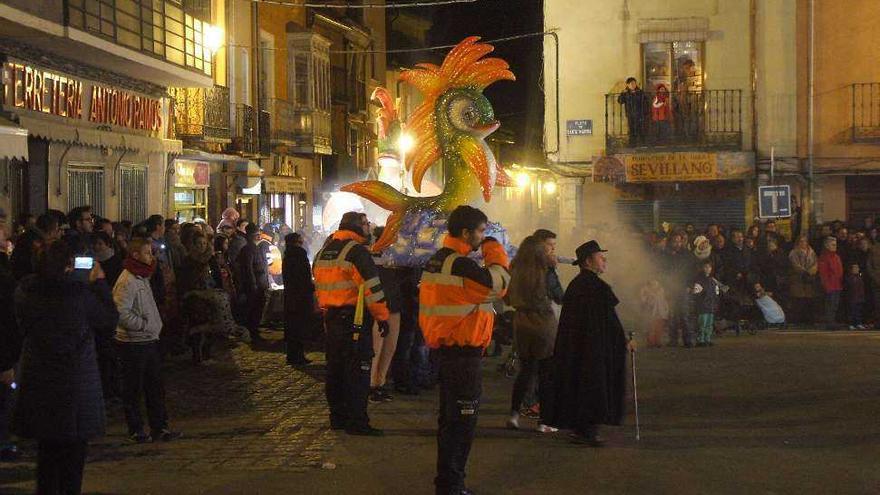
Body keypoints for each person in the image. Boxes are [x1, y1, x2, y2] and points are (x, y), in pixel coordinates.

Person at [13, 240, 119, 493]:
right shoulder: (78, 295)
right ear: (68, 266)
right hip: (75, 383)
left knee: (47, 455)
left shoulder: (26, 292)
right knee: (72, 458)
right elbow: (108, 318)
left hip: (39, 380)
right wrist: (99, 282)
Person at [419, 205, 510, 494]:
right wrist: (494, 249)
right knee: (461, 423)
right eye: (482, 232)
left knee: (450, 422)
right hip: (463, 355)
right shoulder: (459, 264)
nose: (484, 237)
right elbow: (499, 283)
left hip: (448, 352)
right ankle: (452, 485)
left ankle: (448, 482)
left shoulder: (439, 260)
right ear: (466, 233)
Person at [547, 240, 634, 446]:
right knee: (593, 387)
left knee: (579, 384)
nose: (604, 260)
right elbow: (610, 321)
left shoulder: (577, 285)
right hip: (594, 349)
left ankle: (581, 428)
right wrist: (624, 341)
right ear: (588, 261)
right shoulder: (595, 287)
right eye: (599, 257)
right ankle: (588, 430)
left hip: (579, 348)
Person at [313, 211, 390, 436]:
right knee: (358, 371)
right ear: (356, 226)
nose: (369, 228)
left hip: (331, 319)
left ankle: (337, 417)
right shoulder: (356, 252)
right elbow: (372, 288)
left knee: (335, 370)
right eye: (366, 224)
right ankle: (357, 421)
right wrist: (383, 317)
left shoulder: (324, 252)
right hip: (354, 320)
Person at [113, 238, 181, 443]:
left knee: (155, 387)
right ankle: (136, 429)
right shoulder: (127, 280)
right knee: (133, 388)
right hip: (133, 342)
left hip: (149, 339)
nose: (151, 256)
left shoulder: (142, 276)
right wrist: (142, 324)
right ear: (135, 255)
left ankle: (159, 427)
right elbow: (120, 311)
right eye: (147, 253)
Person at [505, 236, 558, 433]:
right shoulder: (545, 270)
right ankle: (544, 421)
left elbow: (508, 297)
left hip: (521, 323)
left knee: (525, 371)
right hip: (543, 324)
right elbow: (558, 295)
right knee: (546, 373)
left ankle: (514, 415)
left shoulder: (515, 269)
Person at [369, 227, 402, 403]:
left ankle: (379, 383)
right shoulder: (370, 256)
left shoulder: (397, 256)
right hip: (378, 308)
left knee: (389, 348)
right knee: (376, 348)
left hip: (394, 306)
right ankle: (371, 385)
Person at [282, 232, 315, 367]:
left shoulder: (287, 254)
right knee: (299, 327)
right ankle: (298, 356)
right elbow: (305, 276)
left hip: (290, 296)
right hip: (300, 296)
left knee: (292, 328)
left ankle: (292, 355)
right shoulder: (300, 254)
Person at [236, 223, 271, 343]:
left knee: (258, 309)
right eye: (256, 234)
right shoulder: (248, 249)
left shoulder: (256, 247)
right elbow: (248, 268)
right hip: (255, 284)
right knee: (254, 309)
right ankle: (253, 332)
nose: (258, 236)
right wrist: (253, 285)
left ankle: (255, 331)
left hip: (260, 283)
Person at [788, 235, 819, 325]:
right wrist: (803, 271)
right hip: (798, 279)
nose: (803, 243)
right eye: (801, 241)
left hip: (809, 279)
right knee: (798, 300)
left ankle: (809, 320)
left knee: (808, 300)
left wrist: (811, 271)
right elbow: (794, 264)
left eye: (804, 241)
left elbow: (815, 263)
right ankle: (798, 320)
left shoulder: (812, 252)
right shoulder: (793, 253)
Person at [692, 260, 722, 347]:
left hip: (711, 306)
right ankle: (700, 340)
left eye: (709, 267)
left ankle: (707, 339)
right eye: (706, 267)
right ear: (702, 268)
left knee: (709, 324)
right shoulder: (699, 280)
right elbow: (696, 293)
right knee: (702, 324)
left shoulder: (713, 280)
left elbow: (717, 293)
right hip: (703, 306)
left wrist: (715, 303)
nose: (707, 269)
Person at [818, 237, 844, 330]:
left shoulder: (836, 257)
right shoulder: (824, 257)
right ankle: (830, 322)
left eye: (835, 244)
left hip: (837, 285)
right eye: (833, 245)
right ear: (826, 245)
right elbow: (823, 273)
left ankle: (832, 321)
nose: (835, 246)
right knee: (830, 305)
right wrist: (826, 285)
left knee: (835, 305)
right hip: (830, 286)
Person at [617, 77, 649, 146]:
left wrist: (644, 111)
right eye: (631, 84)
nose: (633, 85)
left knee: (640, 128)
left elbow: (645, 101)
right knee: (631, 129)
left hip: (639, 114)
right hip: (630, 114)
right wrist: (622, 93)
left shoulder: (640, 92)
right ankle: (632, 144)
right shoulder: (626, 93)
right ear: (628, 85)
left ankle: (642, 144)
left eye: (634, 83)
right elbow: (620, 101)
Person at [640, 279, 669, 348]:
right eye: (653, 283)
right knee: (651, 328)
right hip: (651, 313)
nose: (655, 284)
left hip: (660, 313)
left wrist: (666, 310)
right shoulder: (645, 290)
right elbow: (643, 301)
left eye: (656, 283)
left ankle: (658, 342)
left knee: (659, 328)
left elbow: (664, 301)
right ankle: (651, 343)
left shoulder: (661, 290)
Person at [845, 264, 867, 330]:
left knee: (858, 312)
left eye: (857, 268)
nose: (856, 269)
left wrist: (862, 296)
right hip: (852, 298)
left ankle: (858, 323)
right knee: (852, 312)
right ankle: (851, 324)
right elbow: (848, 288)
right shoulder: (849, 278)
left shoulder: (860, 277)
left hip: (859, 298)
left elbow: (862, 288)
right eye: (854, 268)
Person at [868, 239, 880, 329]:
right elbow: (869, 266)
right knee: (877, 303)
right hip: (876, 281)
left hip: (876, 279)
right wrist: (876, 277)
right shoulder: (874, 249)